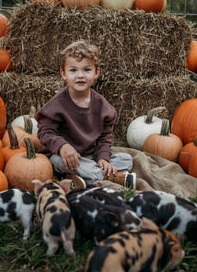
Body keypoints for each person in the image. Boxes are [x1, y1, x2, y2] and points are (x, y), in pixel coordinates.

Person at [35, 40, 136, 189]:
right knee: (56, 161)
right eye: (73, 70)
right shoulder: (57, 104)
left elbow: (104, 137)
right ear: (63, 74)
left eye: (87, 70)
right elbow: (45, 132)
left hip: (90, 156)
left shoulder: (102, 106)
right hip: (66, 156)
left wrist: (103, 158)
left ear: (96, 73)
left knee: (126, 159)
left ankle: (79, 178)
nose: (80, 75)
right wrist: (62, 146)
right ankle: (114, 178)